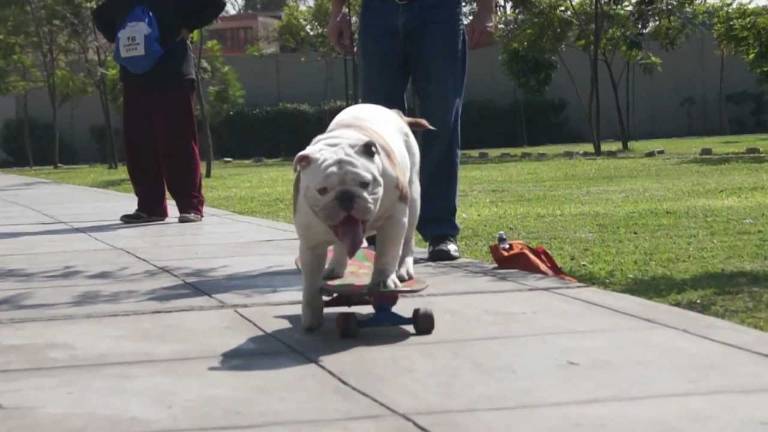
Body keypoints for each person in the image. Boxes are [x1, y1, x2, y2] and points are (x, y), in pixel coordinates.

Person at [327, 0, 495, 261]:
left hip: (439, 12)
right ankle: (380, 230)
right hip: (377, 12)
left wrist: (486, 11)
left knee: (441, 117)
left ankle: (440, 231)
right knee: (377, 125)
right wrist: (338, 11)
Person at [92, 0, 226, 224]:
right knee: (139, 143)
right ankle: (150, 207)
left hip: (173, 72)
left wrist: (187, 27)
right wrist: (119, 36)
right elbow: (101, 15)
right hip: (135, 76)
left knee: (178, 141)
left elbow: (215, 4)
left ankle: (190, 206)